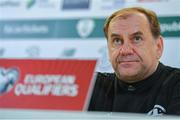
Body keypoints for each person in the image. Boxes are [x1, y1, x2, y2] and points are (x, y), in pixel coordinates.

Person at [88, 7, 180, 116]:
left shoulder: (175, 84)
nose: (125, 51)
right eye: (117, 41)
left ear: (158, 47)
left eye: (137, 39)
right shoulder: (90, 86)